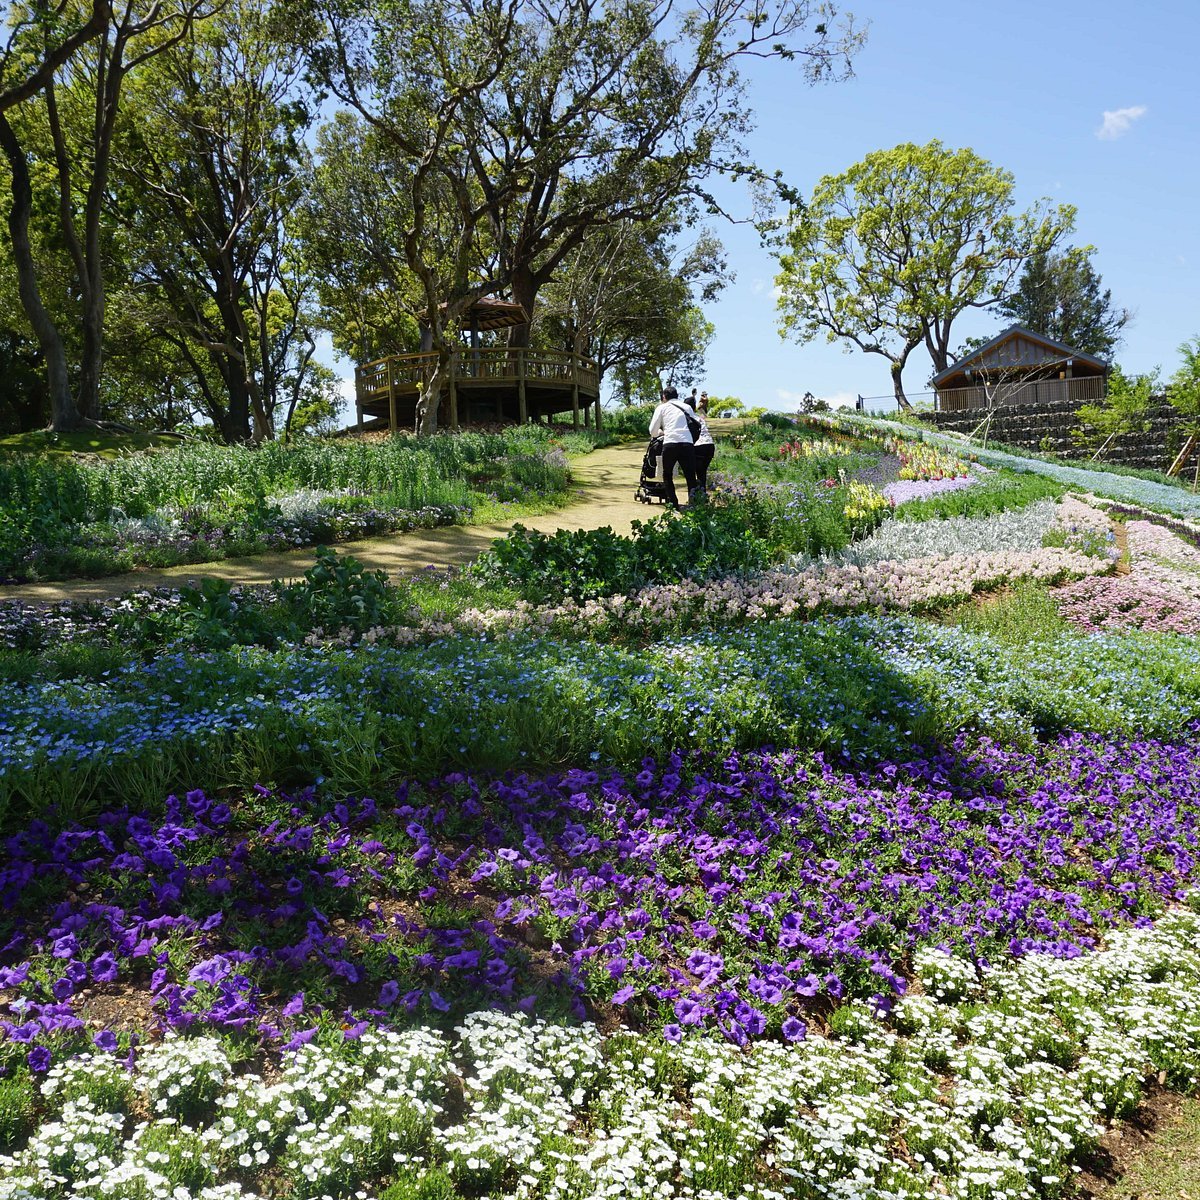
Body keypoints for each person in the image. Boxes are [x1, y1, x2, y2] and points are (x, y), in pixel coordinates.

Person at [648, 385, 699, 509]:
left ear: (664, 397)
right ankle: (694, 504)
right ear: (677, 396)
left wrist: (661, 432)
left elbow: (652, 431)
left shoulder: (661, 408)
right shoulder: (687, 407)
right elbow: (694, 425)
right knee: (690, 476)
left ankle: (673, 504)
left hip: (670, 443)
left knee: (667, 474)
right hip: (687, 443)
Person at [685, 391, 714, 497]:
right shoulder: (699, 417)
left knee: (694, 471)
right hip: (710, 445)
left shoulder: (687, 418)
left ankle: (696, 496)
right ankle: (702, 494)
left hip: (699, 445)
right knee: (702, 472)